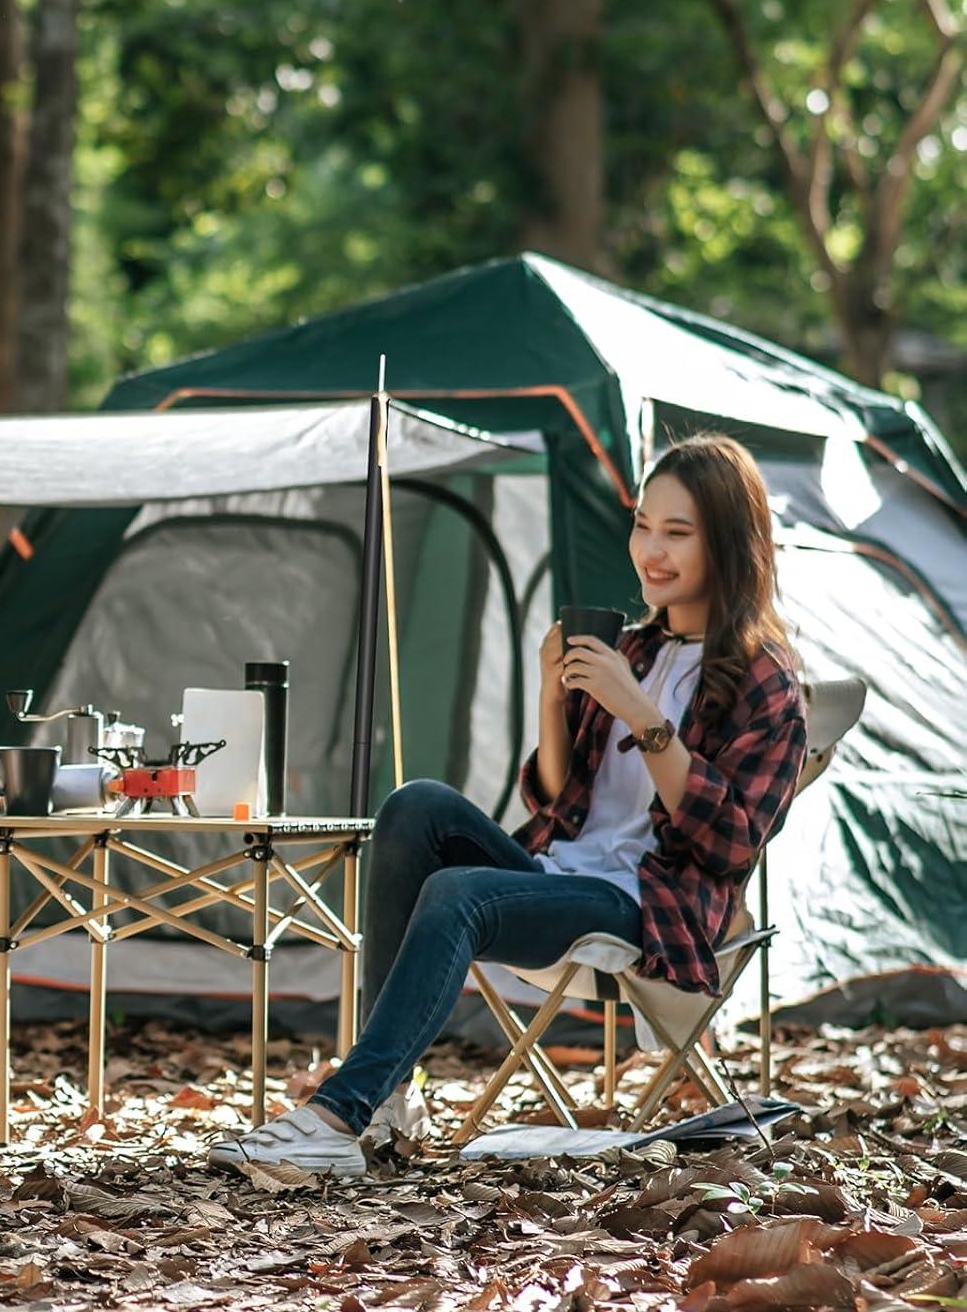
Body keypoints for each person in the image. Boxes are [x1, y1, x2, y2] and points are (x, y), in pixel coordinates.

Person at [210, 433, 809, 1177]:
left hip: (651, 907)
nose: (651, 550)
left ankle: (338, 1113)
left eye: (677, 533)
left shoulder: (766, 684)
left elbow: (729, 845)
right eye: (642, 526)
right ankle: (387, 1093)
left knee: (458, 894)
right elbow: (561, 801)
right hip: (564, 876)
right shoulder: (638, 650)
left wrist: (641, 715)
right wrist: (551, 695)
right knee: (416, 805)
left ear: (729, 542)